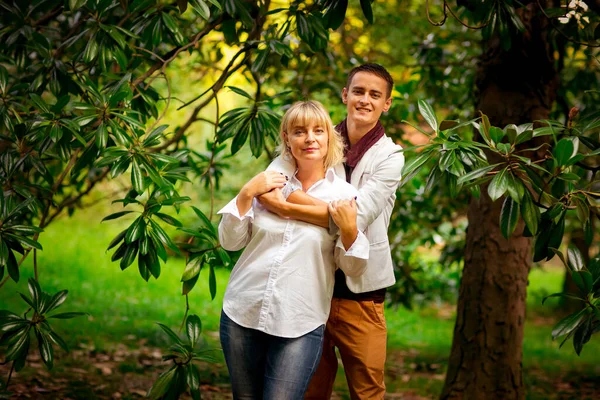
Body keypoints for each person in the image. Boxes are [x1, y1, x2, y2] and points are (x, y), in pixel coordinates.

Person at [258, 63, 404, 399]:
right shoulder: (316, 137)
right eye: (358, 91)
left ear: (386, 104)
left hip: (361, 291)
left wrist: (286, 206)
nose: (365, 99)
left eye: (374, 94)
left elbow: (358, 216)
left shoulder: (391, 156)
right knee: (310, 388)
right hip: (310, 282)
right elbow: (276, 181)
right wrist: (289, 197)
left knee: (367, 391)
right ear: (345, 95)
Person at [217, 100, 370, 400]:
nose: (309, 138)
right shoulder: (269, 182)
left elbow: (353, 269)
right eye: (299, 131)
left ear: (329, 136)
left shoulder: (344, 196)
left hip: (300, 321)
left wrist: (349, 229)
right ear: (287, 138)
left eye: (317, 130)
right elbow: (230, 242)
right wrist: (247, 192)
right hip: (243, 310)